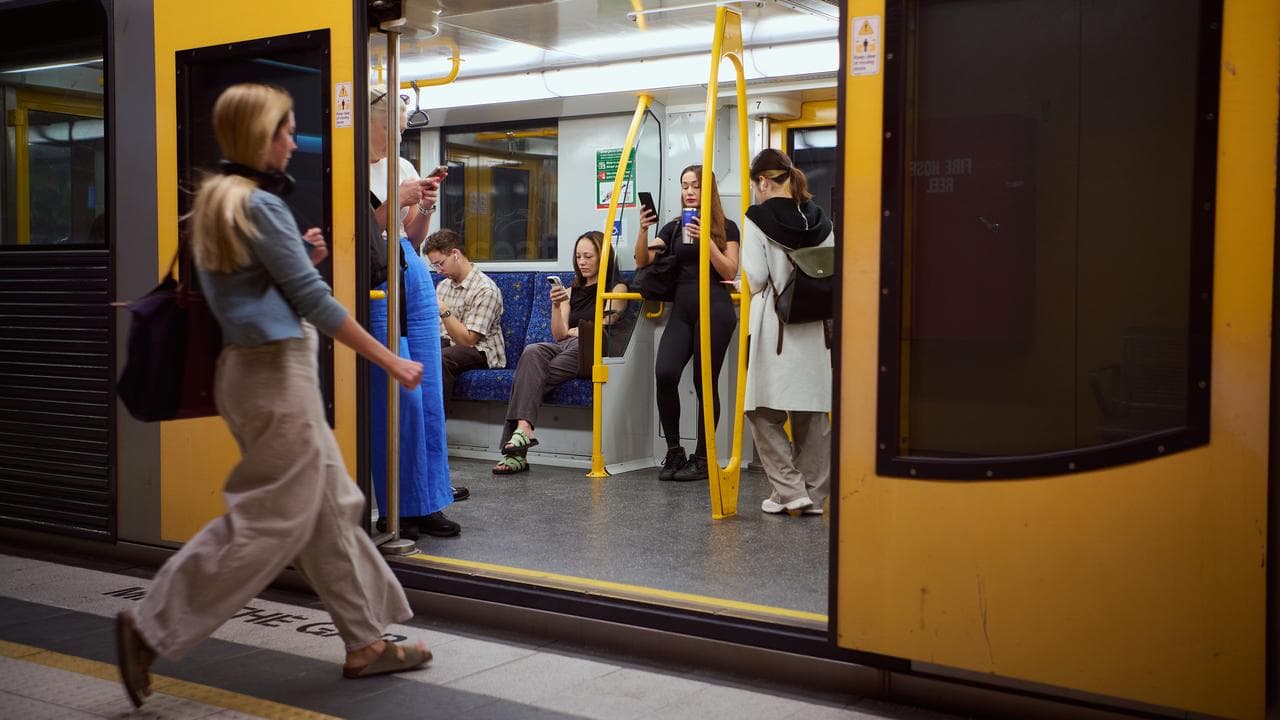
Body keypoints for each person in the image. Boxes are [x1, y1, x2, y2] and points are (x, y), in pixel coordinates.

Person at [115, 84, 430, 709]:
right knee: (267, 519)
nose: (293, 141)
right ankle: (150, 628)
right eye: (285, 130)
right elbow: (314, 303)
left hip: (247, 373)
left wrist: (301, 256)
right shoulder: (261, 206)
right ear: (259, 136)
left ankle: (366, 642)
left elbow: (253, 290)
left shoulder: (216, 200)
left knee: (330, 506)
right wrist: (390, 358)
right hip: (275, 374)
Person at [740, 148, 833, 515]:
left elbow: (758, 277)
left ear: (763, 182)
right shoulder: (820, 219)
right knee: (811, 413)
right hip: (814, 328)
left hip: (775, 327)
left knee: (762, 410)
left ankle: (790, 488)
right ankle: (810, 494)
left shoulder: (757, 219)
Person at [635, 165, 740, 481]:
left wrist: (706, 240)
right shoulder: (673, 226)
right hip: (682, 308)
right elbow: (643, 260)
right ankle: (675, 451)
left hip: (715, 309)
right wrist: (643, 230)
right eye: (684, 186)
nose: (689, 191)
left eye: (694, 186)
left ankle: (704, 458)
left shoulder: (727, 228)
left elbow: (729, 271)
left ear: (707, 191)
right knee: (665, 372)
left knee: (703, 382)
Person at [493, 231, 628, 475]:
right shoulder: (570, 290)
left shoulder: (615, 288)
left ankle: (515, 455)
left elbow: (604, 324)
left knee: (528, 377)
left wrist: (577, 331)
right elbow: (558, 334)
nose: (582, 262)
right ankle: (524, 428)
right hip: (566, 345)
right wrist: (556, 304)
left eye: (588, 256)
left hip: (591, 348)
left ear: (604, 258)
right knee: (532, 352)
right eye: (578, 256)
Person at [423, 228, 506, 410]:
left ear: (455, 254)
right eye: (434, 266)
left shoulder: (485, 290)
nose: (438, 271)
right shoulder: (444, 286)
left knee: (440, 359)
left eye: (440, 264)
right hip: (449, 343)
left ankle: (434, 426)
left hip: (481, 350)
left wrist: (444, 310)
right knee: (419, 351)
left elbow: (468, 340)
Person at [368, 84, 438, 256]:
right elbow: (356, 236)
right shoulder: (344, 170)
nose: (398, 139)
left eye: (401, 130)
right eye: (389, 129)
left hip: (402, 263)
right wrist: (398, 200)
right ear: (364, 124)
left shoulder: (402, 167)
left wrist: (426, 207)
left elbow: (411, 239)